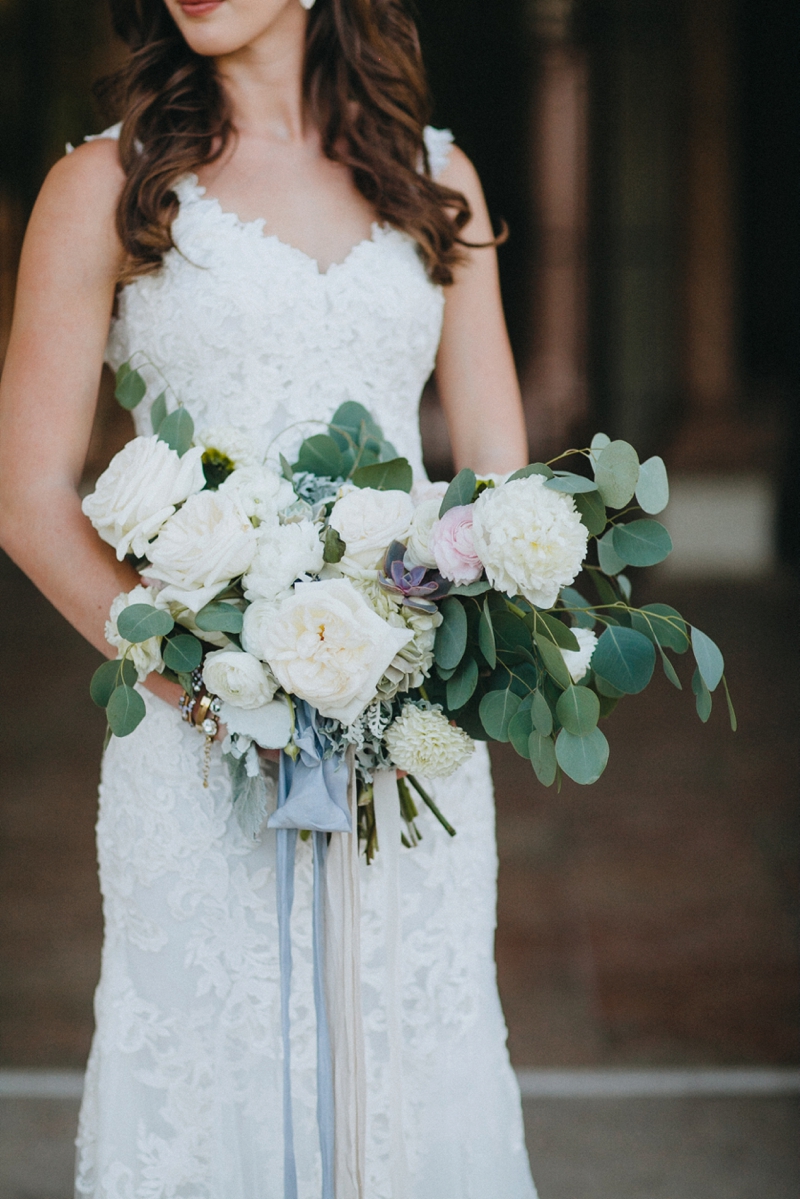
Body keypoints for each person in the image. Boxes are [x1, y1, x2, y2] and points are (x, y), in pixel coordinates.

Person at [0, 1, 538, 1196]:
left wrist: (427, 656)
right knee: (208, 1066)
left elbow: (495, 474)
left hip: (408, 734)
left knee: (414, 1046)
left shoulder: (434, 177)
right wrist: (199, 675)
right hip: (195, 732)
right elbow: (30, 500)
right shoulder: (105, 187)